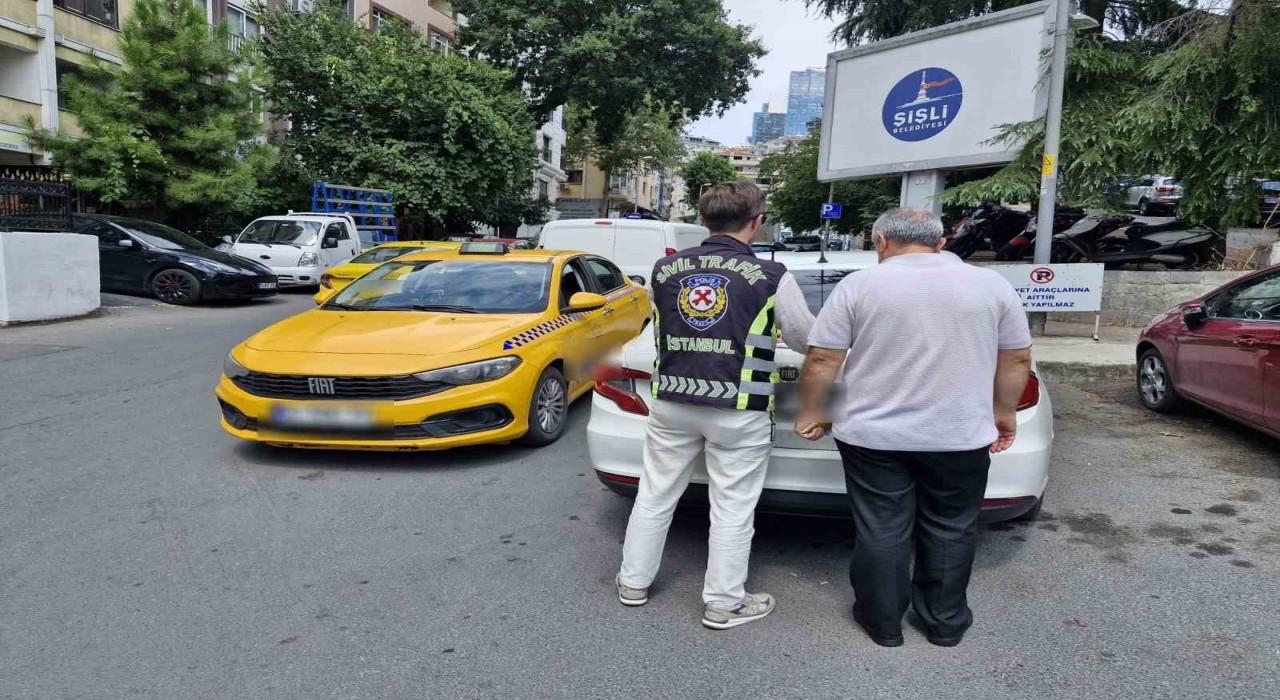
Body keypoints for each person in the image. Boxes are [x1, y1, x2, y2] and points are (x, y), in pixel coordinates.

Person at [794, 207, 1032, 648]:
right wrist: (1004, 412)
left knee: (882, 527)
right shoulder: (992, 285)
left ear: (881, 242)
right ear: (941, 243)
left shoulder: (859, 285)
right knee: (952, 526)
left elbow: (825, 358)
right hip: (960, 434)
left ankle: (882, 623)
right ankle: (944, 623)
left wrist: (814, 411)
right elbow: (1017, 358)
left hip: (873, 437)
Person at [615, 181, 815, 630]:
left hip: (672, 400)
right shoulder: (771, 275)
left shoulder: (664, 270)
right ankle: (723, 603)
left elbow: (669, 327)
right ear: (757, 222)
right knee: (732, 506)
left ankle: (633, 583)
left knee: (654, 494)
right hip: (738, 405)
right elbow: (806, 339)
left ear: (704, 220)